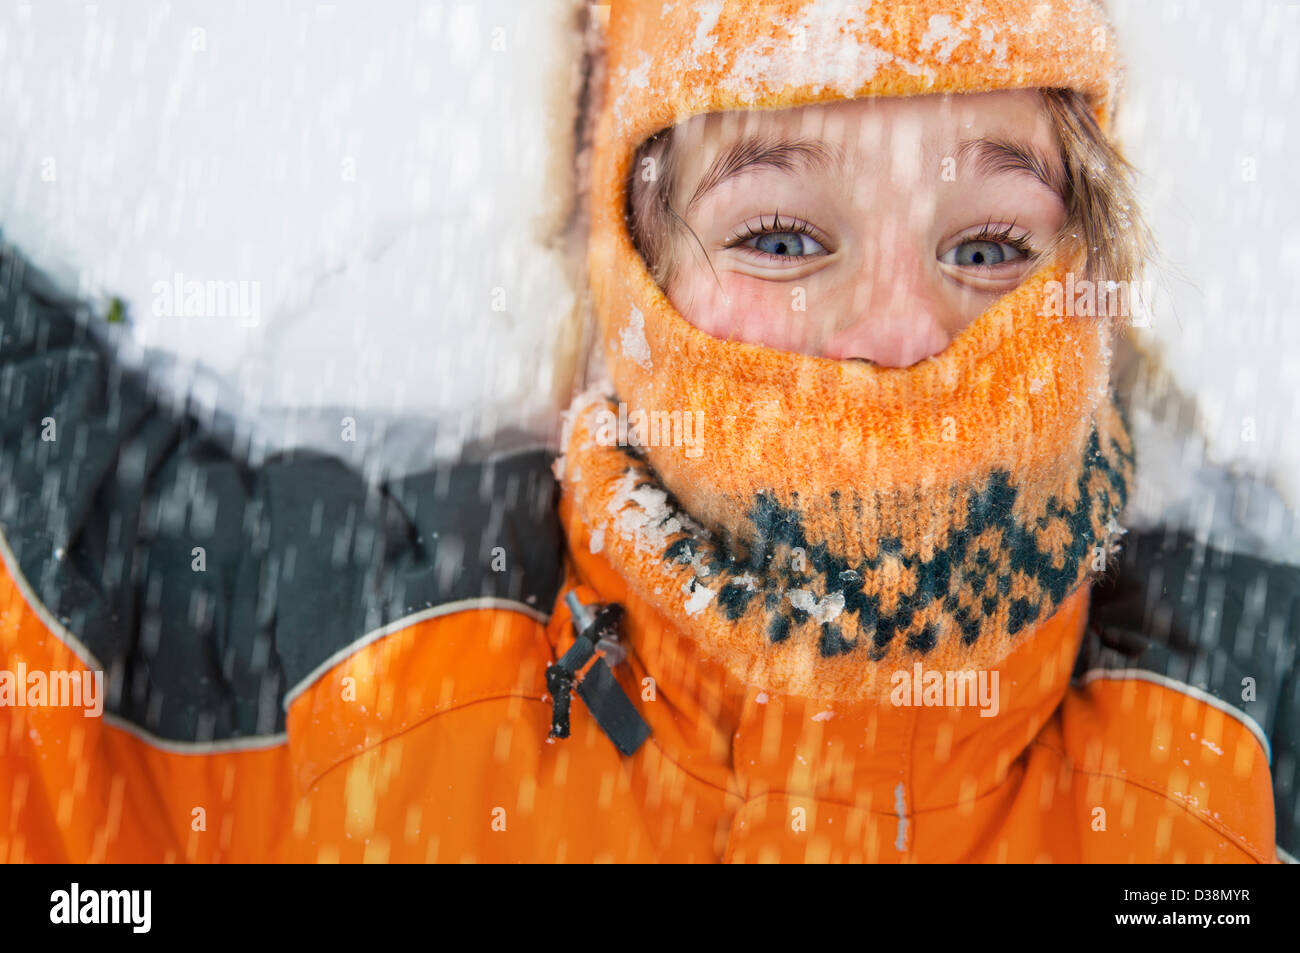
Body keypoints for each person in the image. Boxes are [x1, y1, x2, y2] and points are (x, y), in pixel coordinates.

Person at [0, 0, 1290, 863]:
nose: (900, 333)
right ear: (631, 271)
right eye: (782, 236)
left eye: (993, 244)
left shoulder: (1235, 765)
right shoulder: (358, 678)